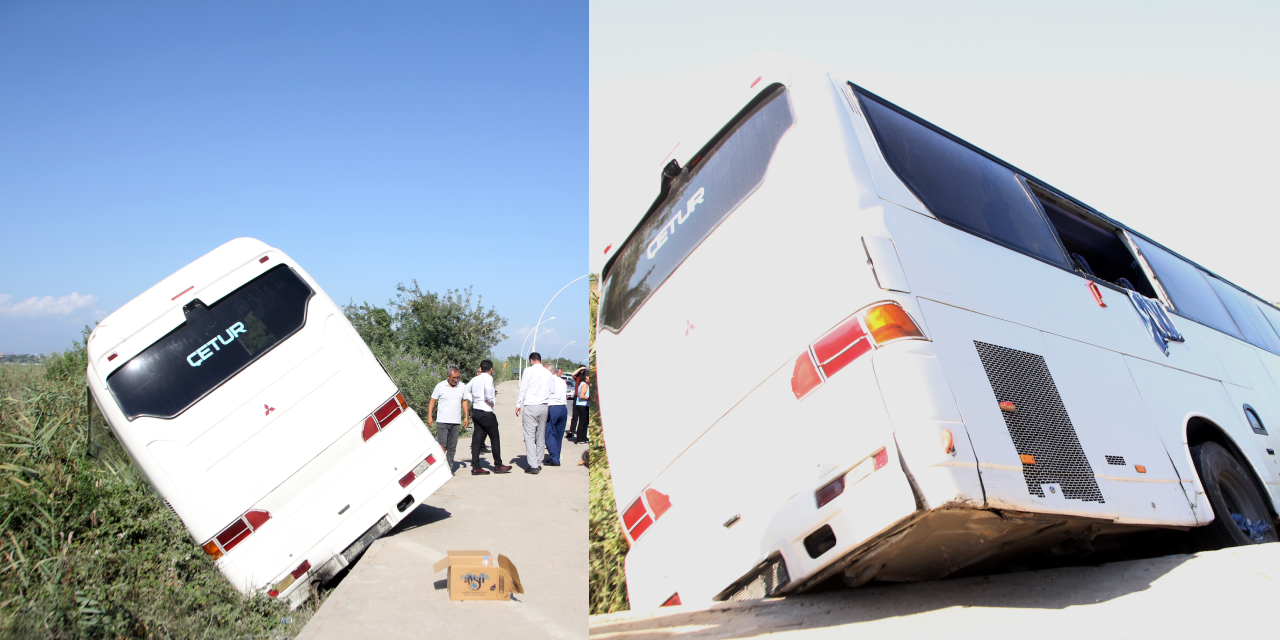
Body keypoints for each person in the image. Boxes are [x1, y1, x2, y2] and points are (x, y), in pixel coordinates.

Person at [515, 352, 555, 474]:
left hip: (531, 405)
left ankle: (533, 465)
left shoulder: (528, 370)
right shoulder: (548, 373)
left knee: (529, 436)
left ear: (531, 360)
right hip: (543, 406)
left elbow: (523, 388)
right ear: (540, 360)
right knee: (540, 434)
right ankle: (538, 461)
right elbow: (552, 390)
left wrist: (518, 404)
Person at [468, 360, 510, 474]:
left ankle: (476, 467)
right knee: (494, 438)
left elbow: (465, 391)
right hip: (486, 411)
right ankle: (498, 465)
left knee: (477, 439)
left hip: (476, 411)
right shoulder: (488, 378)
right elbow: (488, 391)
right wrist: (490, 401)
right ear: (491, 368)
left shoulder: (475, 379)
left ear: (480, 368)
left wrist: (473, 400)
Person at [428, 366, 470, 472]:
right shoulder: (440, 386)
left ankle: (449, 468)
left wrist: (466, 416)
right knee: (442, 445)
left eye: (457, 378)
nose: (456, 380)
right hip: (442, 421)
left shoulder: (462, 386)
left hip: (455, 422)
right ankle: (438, 467)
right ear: (448, 377)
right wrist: (430, 416)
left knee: (452, 446)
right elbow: (432, 401)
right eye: (453, 378)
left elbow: (464, 401)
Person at [544, 366, 569, 466]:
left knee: (549, 434)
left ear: (550, 371)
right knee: (559, 435)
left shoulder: (548, 381)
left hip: (552, 408)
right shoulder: (562, 381)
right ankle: (556, 456)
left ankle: (554, 459)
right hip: (563, 408)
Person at [571, 369, 590, 445]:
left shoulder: (581, 384)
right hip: (582, 405)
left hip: (582, 404)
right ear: (586, 376)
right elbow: (582, 396)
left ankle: (584, 437)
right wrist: (589, 398)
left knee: (585, 422)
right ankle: (579, 439)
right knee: (582, 422)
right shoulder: (584, 385)